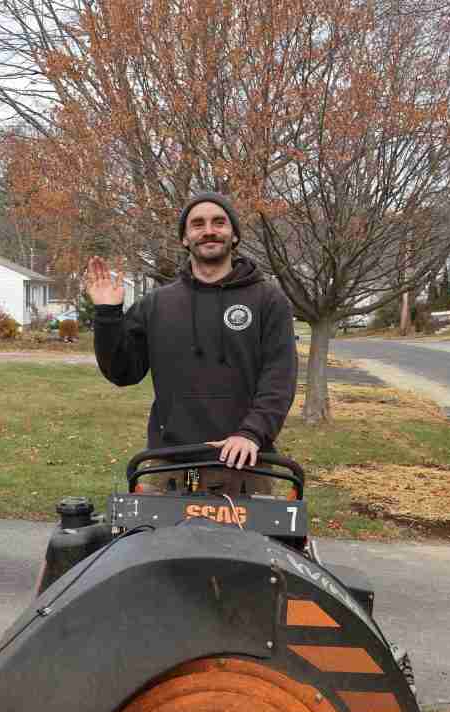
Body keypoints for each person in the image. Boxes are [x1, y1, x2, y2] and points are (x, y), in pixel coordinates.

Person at [85, 192, 297, 493]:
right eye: (197, 224)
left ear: (234, 235)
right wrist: (107, 314)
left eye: (219, 222)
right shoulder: (157, 304)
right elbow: (122, 372)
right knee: (162, 542)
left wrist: (252, 433)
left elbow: (279, 378)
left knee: (246, 543)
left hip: (246, 461)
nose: (209, 230)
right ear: (185, 238)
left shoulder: (268, 300)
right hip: (170, 462)